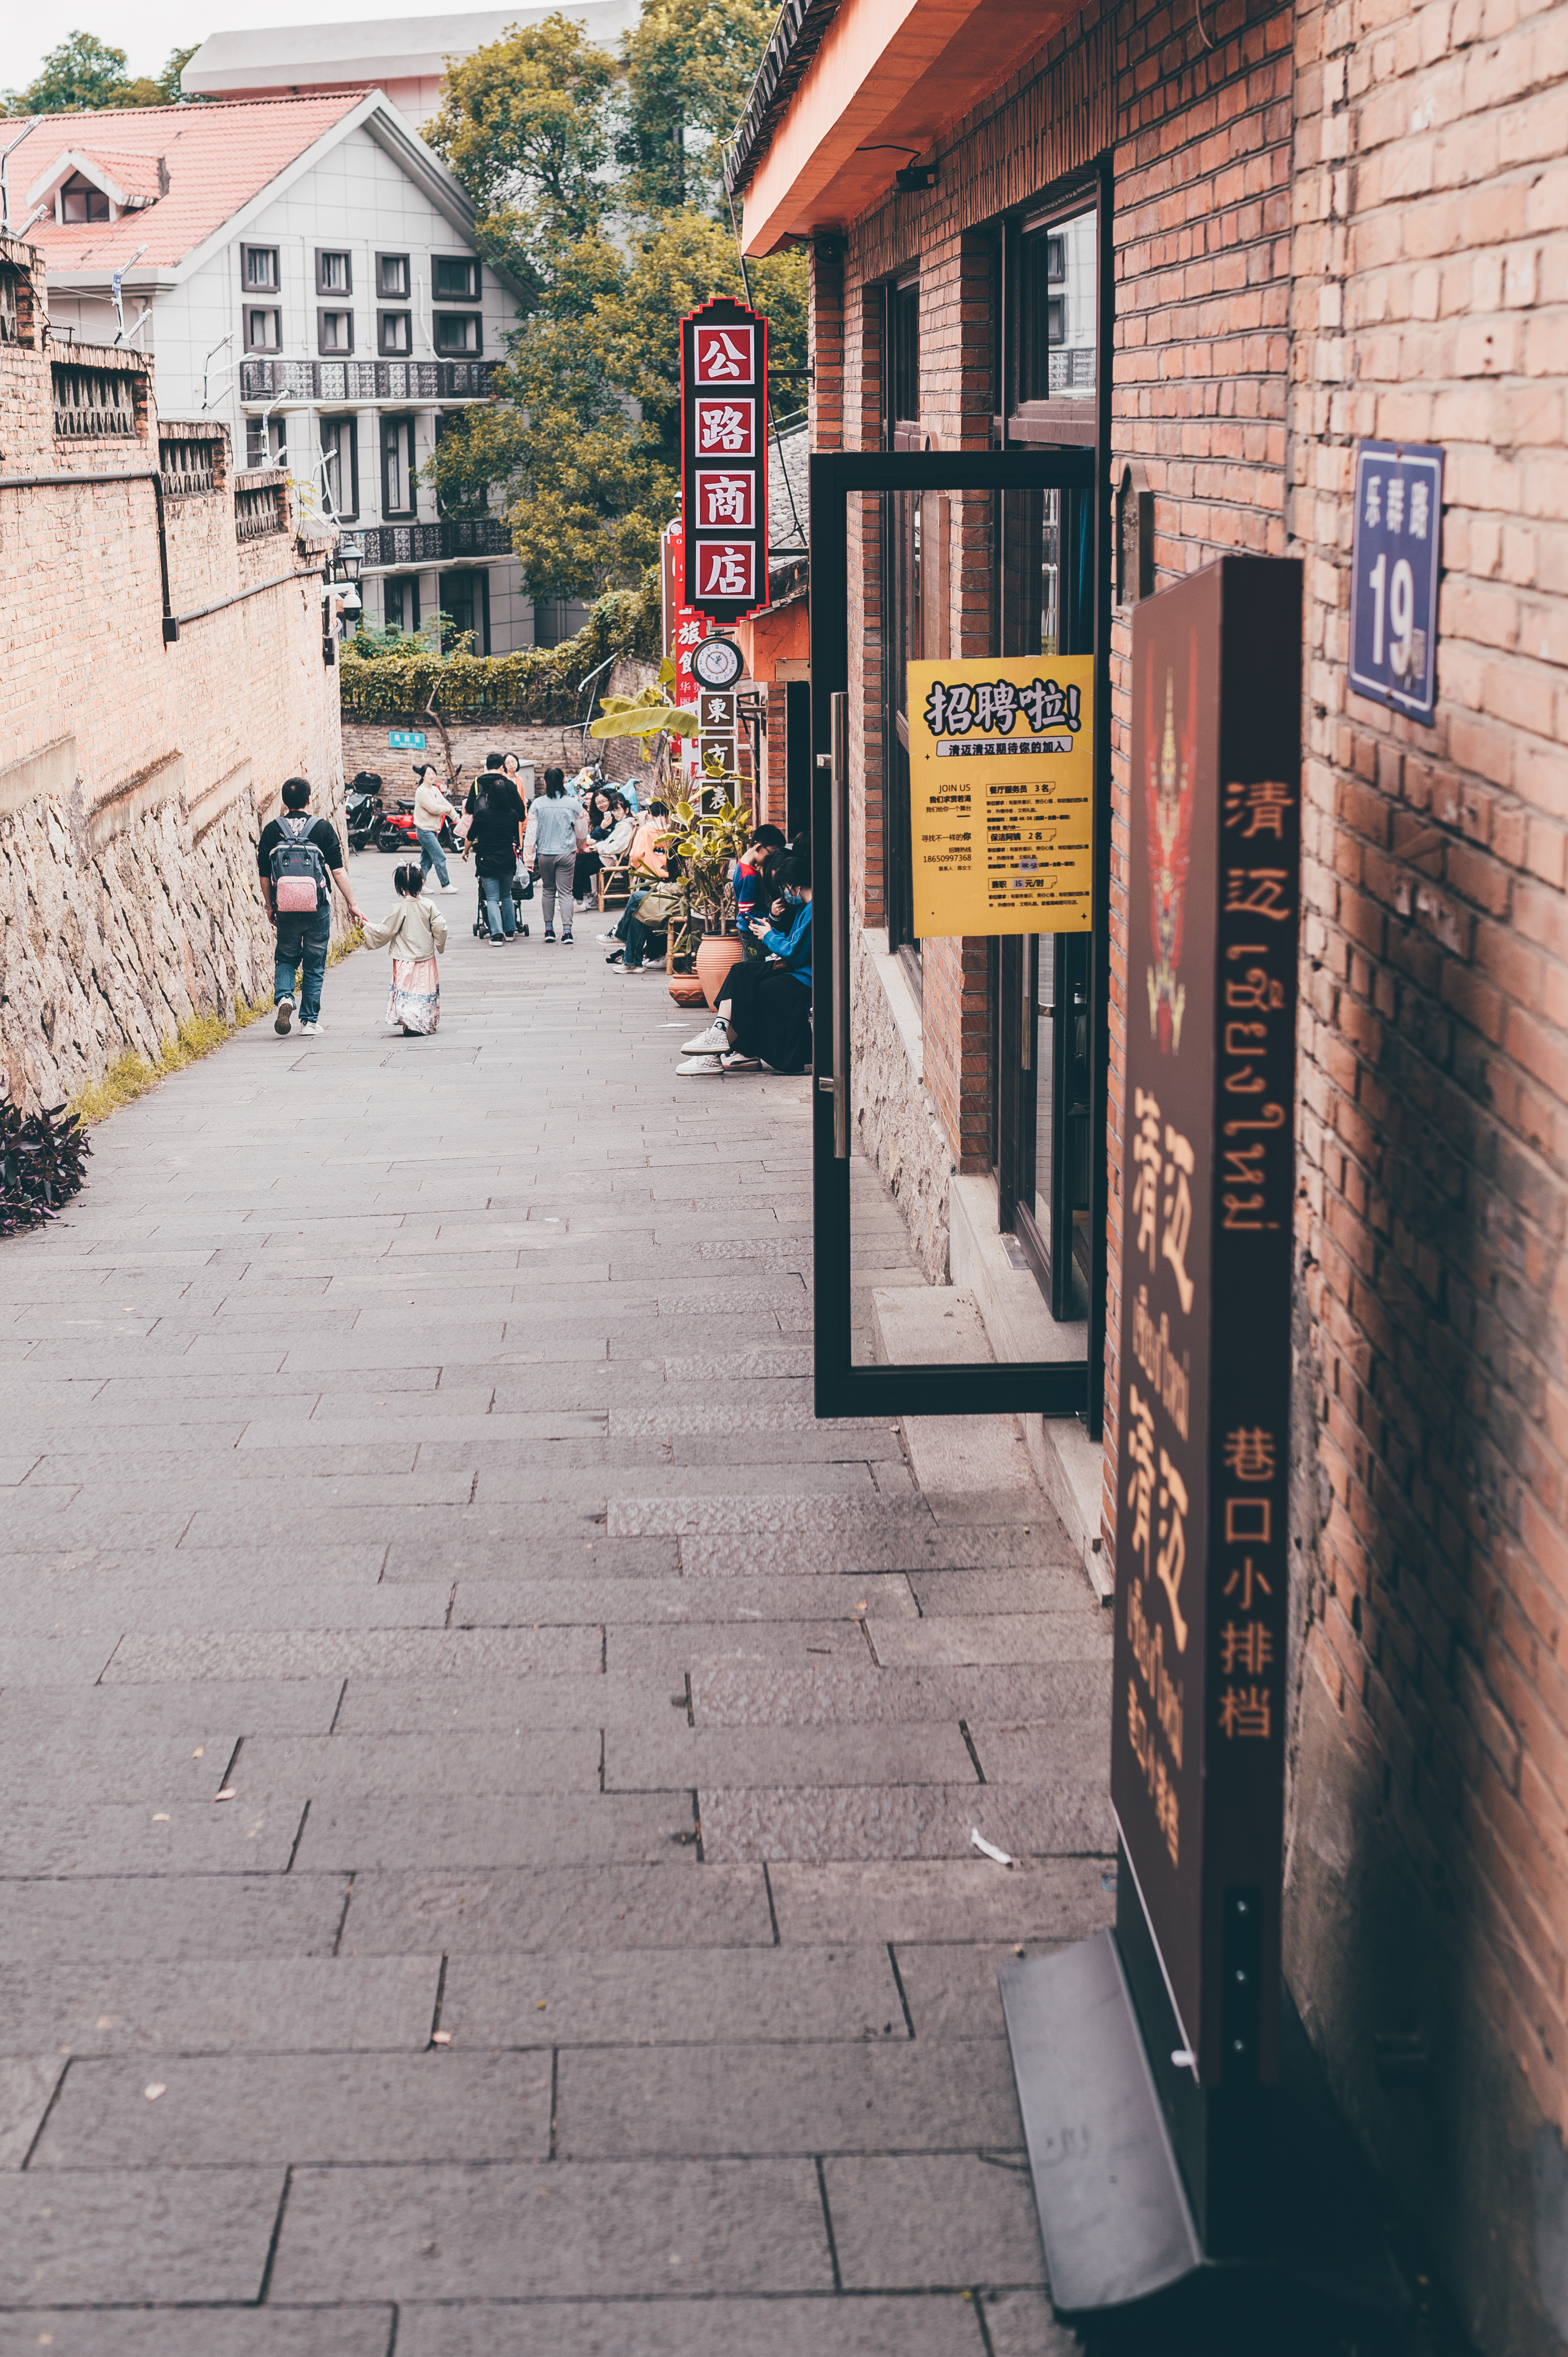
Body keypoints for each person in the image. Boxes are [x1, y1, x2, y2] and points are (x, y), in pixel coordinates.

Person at [678, 856, 812, 1073]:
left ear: (793, 885)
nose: (785, 894)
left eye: (783, 888)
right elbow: (793, 944)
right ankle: (721, 1043)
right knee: (745, 982)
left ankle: (721, 1045)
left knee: (750, 985)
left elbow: (795, 952)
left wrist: (769, 935)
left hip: (803, 977)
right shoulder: (805, 909)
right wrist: (771, 930)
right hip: (795, 972)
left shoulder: (813, 910)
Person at [257, 776, 365, 1037]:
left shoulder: (272, 830)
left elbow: (263, 874)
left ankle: (284, 998)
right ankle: (309, 1021)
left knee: (286, 957)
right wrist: (353, 904)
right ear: (308, 799)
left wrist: (271, 906)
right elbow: (338, 872)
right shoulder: (322, 828)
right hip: (317, 908)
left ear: (284, 801)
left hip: (286, 908)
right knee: (314, 964)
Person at [363, 860, 448, 1034]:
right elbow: (440, 926)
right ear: (421, 882)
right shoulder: (429, 905)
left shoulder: (399, 908)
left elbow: (385, 930)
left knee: (407, 992)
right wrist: (439, 945)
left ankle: (409, 1022)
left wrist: (366, 926)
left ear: (400, 885)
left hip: (404, 959)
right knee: (425, 990)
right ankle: (424, 1022)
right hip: (426, 958)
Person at [602, 799, 672, 970]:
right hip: (667, 880)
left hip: (648, 878)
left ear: (650, 813)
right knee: (650, 917)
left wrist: (637, 868)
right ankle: (646, 957)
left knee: (641, 914)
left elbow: (636, 855)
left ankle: (621, 936)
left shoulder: (645, 830)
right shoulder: (673, 833)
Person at [464, 761, 527, 943]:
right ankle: (510, 931)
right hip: (508, 860)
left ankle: (497, 934)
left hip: (487, 860)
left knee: (492, 898)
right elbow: (515, 836)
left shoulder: (483, 815)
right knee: (507, 895)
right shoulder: (513, 815)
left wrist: (465, 852)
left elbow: (470, 836)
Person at [525, 766, 588, 942]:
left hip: (545, 854)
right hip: (567, 853)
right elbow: (582, 830)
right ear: (563, 782)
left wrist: (528, 859)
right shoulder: (574, 805)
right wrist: (580, 845)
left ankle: (549, 930)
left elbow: (531, 834)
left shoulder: (537, 804)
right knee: (566, 892)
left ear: (545, 783)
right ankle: (567, 932)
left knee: (548, 890)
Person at [733, 824, 786, 955]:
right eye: (771, 853)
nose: (772, 859)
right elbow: (747, 911)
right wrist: (770, 916)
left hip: (748, 930)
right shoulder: (749, 876)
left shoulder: (742, 866)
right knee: (757, 966)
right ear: (759, 848)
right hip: (754, 931)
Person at [410, 762, 463, 892]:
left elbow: (447, 804)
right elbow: (433, 808)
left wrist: (459, 821)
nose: (432, 776)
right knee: (440, 856)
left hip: (432, 831)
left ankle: (419, 885)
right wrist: (447, 809)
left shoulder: (434, 789)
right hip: (424, 830)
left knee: (426, 862)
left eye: (433, 773)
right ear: (423, 776)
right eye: (428, 774)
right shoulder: (422, 791)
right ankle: (446, 885)